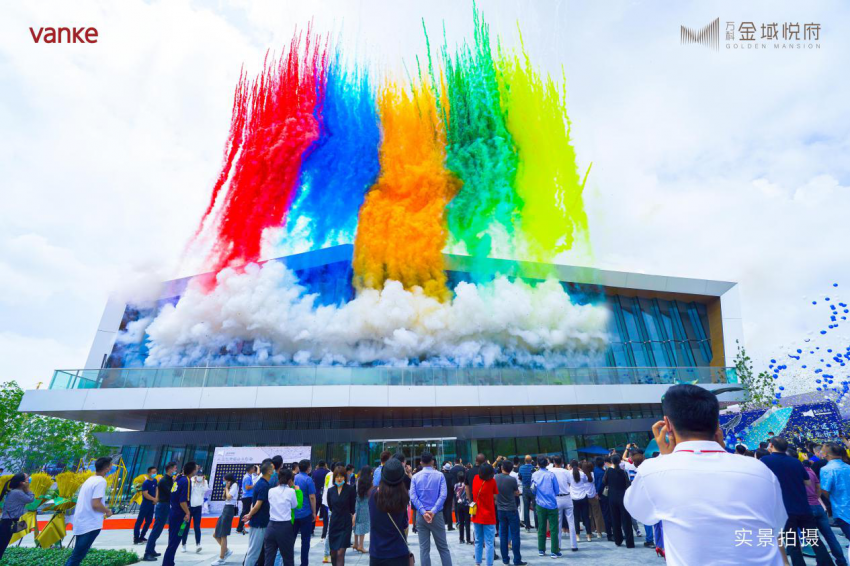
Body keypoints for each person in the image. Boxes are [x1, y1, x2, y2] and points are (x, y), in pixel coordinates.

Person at [625, 384, 786, 565]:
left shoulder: (652, 472)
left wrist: (665, 457)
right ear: (716, 423)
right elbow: (776, 527)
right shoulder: (759, 470)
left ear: (667, 424)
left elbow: (642, 513)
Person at [762, 436, 835, 566]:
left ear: (771, 445)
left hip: (784, 511)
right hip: (803, 508)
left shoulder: (765, 460)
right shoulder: (795, 462)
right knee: (814, 540)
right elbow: (807, 482)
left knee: (792, 544)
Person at [65, 457, 114, 566]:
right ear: (106, 468)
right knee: (77, 556)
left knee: (77, 555)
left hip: (82, 521)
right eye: (111, 465)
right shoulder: (101, 481)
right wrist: (107, 511)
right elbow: (96, 504)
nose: (112, 466)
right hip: (90, 524)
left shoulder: (90, 479)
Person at [408, 452, 452, 566]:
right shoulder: (440, 475)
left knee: (424, 550)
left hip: (421, 516)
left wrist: (423, 511)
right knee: (443, 548)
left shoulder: (415, 477)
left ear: (421, 462)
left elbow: (413, 496)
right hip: (436, 515)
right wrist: (433, 511)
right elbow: (443, 495)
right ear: (432, 462)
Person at [804, 460, 847, 566]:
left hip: (807, 509)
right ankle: (841, 561)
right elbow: (818, 490)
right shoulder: (811, 472)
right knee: (830, 536)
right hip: (818, 507)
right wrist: (816, 499)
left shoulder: (795, 473)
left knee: (814, 538)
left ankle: (823, 562)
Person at [369, 458, 411, 566]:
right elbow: (405, 524)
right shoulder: (403, 497)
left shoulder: (372, 494)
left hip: (377, 552)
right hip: (399, 552)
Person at [161, 461, 197, 566]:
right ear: (193, 470)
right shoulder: (186, 481)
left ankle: (169, 562)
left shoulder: (179, 479)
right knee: (176, 539)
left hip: (174, 512)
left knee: (173, 539)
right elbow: (183, 501)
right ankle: (167, 563)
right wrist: (187, 512)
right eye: (195, 468)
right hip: (180, 514)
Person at [264, 469, 300, 566]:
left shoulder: (271, 491)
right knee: (288, 558)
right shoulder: (291, 491)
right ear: (290, 480)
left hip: (271, 526)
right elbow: (294, 505)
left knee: (269, 558)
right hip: (285, 527)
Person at [143, 461, 177, 561]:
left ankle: (151, 550)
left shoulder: (169, 479)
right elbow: (171, 492)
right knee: (156, 529)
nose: (176, 470)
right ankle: (147, 553)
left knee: (159, 529)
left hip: (165, 505)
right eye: (175, 468)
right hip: (162, 506)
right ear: (170, 469)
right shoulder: (164, 480)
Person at [495, 460, 526, 565]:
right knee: (515, 535)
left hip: (500, 510)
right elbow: (516, 493)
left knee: (503, 535)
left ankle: (505, 559)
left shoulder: (496, 478)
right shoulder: (512, 479)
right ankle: (517, 559)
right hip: (511, 509)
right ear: (511, 469)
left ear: (502, 467)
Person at [243, 460, 273, 566]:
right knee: (254, 552)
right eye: (272, 469)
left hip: (259, 521)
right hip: (259, 523)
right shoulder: (263, 485)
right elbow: (257, 505)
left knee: (254, 550)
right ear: (269, 471)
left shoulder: (262, 483)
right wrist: (249, 515)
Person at [530, 457, 560, 558]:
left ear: (538, 464)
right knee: (554, 528)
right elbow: (557, 490)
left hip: (540, 504)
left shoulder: (534, 474)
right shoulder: (551, 475)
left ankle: (541, 550)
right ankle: (554, 551)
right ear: (547, 464)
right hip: (552, 504)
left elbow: (533, 490)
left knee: (541, 527)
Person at [326, 465, 356, 566]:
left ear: (345, 477)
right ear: (334, 477)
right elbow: (330, 506)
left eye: (341, 476)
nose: (339, 478)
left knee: (340, 553)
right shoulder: (330, 491)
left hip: (345, 523)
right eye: (337, 476)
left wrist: (353, 517)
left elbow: (352, 507)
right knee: (333, 553)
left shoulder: (350, 489)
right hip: (334, 523)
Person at [820, 443, 850, 543]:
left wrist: (832, 499)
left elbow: (825, 490)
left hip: (841, 509)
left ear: (826, 454)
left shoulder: (826, 469)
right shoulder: (847, 467)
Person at [0, 473, 34, 559]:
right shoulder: (18, 493)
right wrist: (28, 489)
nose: (29, 480)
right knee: (1, 546)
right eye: (27, 478)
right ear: (21, 482)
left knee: (2, 546)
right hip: (8, 523)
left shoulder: (14, 491)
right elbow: (30, 499)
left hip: (7, 522)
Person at [291, 459, 318, 566]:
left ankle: (289, 562)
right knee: (305, 541)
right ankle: (304, 563)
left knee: (291, 539)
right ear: (308, 468)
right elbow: (312, 497)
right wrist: (314, 512)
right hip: (306, 513)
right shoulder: (308, 480)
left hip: (294, 513)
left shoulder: (294, 478)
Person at [472, 463, 499, 566]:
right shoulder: (492, 482)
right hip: (489, 516)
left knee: (478, 540)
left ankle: (477, 563)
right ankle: (489, 564)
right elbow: (495, 497)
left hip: (477, 515)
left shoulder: (475, 478)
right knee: (489, 543)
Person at [549, 456, 577, 554]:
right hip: (567, 497)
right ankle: (574, 545)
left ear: (553, 462)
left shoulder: (550, 471)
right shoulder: (566, 472)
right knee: (571, 521)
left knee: (558, 522)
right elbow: (570, 483)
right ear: (562, 462)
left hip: (556, 498)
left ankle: (558, 545)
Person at [212, 473, 238, 566]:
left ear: (229, 480)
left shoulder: (235, 485)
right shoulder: (230, 486)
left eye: (225, 480)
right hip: (225, 509)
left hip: (229, 509)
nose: (224, 482)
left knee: (223, 535)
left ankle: (221, 558)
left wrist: (227, 488)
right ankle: (226, 551)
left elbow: (229, 497)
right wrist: (226, 488)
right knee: (215, 534)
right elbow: (225, 497)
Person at [182, 471, 207, 553]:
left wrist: (202, 483)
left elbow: (205, 490)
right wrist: (195, 483)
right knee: (185, 526)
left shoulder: (204, 482)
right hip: (189, 507)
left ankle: (198, 544)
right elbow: (190, 492)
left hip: (198, 507)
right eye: (198, 475)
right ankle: (183, 544)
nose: (199, 477)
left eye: (201, 476)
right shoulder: (191, 481)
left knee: (197, 526)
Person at [568, 459, 594, 542]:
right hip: (583, 496)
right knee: (586, 517)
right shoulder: (582, 473)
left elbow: (567, 483)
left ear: (571, 466)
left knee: (576, 517)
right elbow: (586, 480)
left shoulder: (568, 473)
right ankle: (589, 535)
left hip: (573, 498)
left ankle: (577, 536)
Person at [134, 466, 158, 545]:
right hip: (145, 504)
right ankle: (136, 538)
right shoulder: (146, 483)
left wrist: (156, 498)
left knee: (149, 521)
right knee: (140, 521)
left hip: (152, 504)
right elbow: (145, 494)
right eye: (153, 472)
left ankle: (142, 536)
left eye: (155, 472)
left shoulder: (154, 481)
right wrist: (153, 499)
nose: (154, 473)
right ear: (149, 473)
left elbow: (157, 489)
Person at [353, 466, 373, 553]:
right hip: (365, 503)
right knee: (363, 523)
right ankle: (361, 545)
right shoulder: (369, 481)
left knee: (356, 522)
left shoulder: (358, 479)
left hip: (357, 502)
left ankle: (355, 543)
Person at [517, 455, 535, 531]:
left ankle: (527, 526)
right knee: (535, 507)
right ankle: (537, 525)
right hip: (533, 488)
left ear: (524, 460)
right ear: (531, 461)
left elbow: (520, 477)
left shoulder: (521, 468)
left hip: (525, 488)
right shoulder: (534, 468)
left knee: (526, 507)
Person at [312, 461, 330, 538]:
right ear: (325, 464)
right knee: (325, 515)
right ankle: (324, 532)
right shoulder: (328, 472)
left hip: (316, 494)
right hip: (325, 495)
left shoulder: (314, 472)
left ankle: (311, 530)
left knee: (314, 512)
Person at [454, 470, 472, 545]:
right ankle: (468, 539)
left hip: (459, 505)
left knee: (461, 522)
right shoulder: (466, 485)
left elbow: (456, 494)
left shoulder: (456, 485)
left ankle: (461, 539)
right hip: (466, 504)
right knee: (467, 523)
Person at [239, 464, 257, 534]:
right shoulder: (247, 477)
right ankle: (239, 528)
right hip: (247, 496)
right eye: (253, 468)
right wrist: (254, 485)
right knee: (244, 512)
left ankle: (241, 527)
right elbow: (247, 487)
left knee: (246, 512)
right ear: (250, 469)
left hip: (248, 496)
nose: (254, 469)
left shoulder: (249, 476)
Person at [442, 462, 455, 530]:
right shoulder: (451, 476)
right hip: (450, 494)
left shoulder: (442, 475)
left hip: (442, 494)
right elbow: (453, 486)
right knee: (448, 509)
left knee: (442, 509)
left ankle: (443, 523)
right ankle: (450, 526)